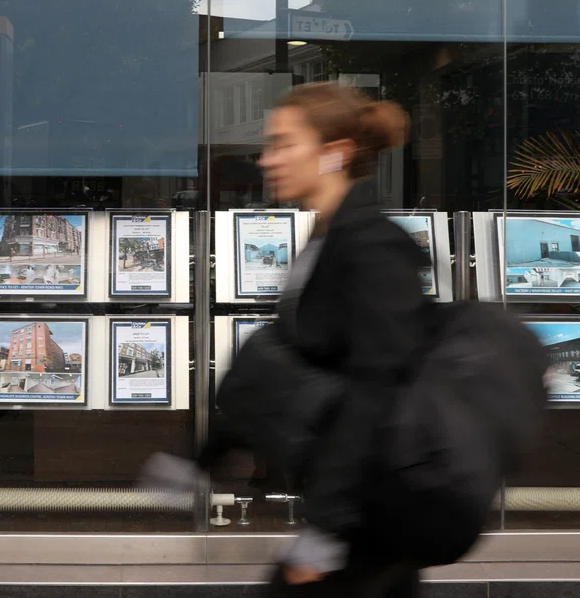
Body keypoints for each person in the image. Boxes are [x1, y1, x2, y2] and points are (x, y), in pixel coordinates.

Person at [141, 82, 429, 597]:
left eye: (283, 143)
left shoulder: (375, 248)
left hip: (366, 519)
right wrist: (201, 461)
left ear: (332, 155)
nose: (266, 159)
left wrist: (327, 531)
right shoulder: (326, 237)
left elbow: (377, 394)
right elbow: (277, 367)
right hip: (344, 514)